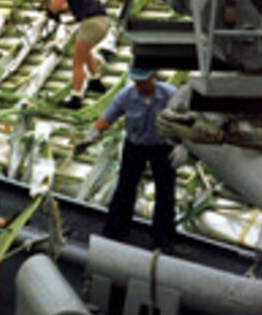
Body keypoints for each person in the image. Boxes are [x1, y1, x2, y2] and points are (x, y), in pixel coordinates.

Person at [75, 64, 182, 251]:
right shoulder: (126, 96)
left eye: (143, 82)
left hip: (163, 148)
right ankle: (116, 231)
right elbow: (107, 117)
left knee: (165, 193)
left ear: (153, 77)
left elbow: (187, 119)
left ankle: (163, 238)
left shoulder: (170, 94)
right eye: (137, 83)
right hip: (135, 146)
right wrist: (90, 136)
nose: (140, 86)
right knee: (125, 188)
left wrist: (183, 146)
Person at [47, 0, 109, 109]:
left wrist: (50, 11)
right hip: (103, 21)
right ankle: (96, 81)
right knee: (86, 51)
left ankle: (76, 98)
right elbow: (79, 5)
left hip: (91, 24)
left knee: (77, 61)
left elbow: (56, 5)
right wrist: (62, 13)